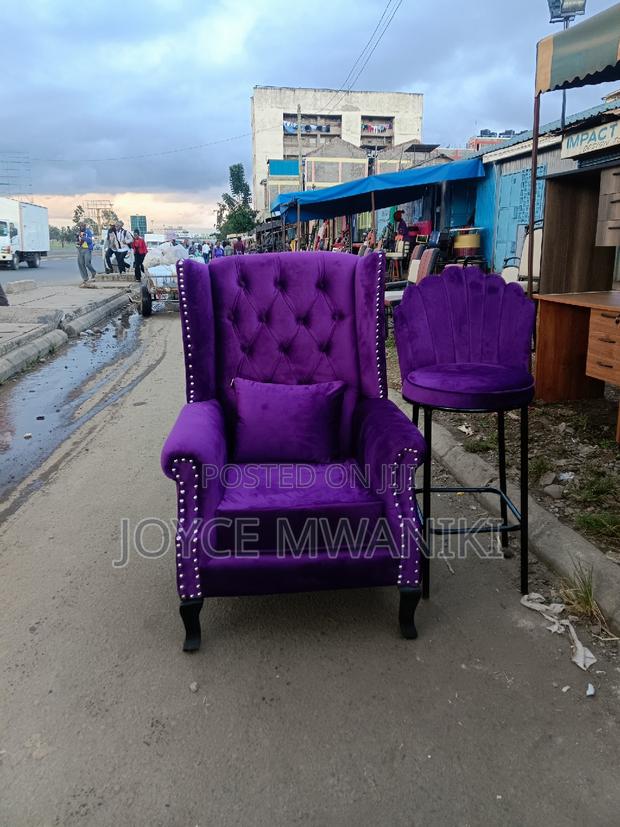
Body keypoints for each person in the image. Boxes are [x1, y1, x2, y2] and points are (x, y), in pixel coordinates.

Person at [76, 221, 97, 286]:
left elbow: (90, 240)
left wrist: (83, 237)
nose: (82, 227)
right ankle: (85, 278)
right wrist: (77, 241)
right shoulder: (79, 233)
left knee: (87, 263)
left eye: (83, 226)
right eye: (80, 226)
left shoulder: (88, 232)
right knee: (81, 264)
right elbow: (77, 240)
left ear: (85, 226)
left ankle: (93, 272)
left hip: (87, 249)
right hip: (80, 249)